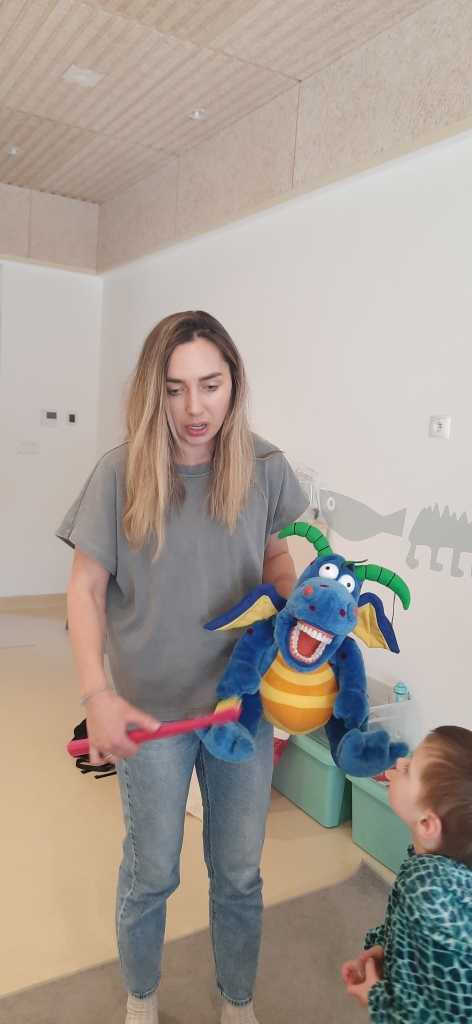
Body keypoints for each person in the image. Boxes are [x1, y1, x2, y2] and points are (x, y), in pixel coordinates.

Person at [57, 311, 309, 1024]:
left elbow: (276, 557)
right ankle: (142, 997)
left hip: (241, 710)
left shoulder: (265, 466)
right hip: (150, 713)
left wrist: (298, 621)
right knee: (152, 873)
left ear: (235, 384)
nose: (194, 408)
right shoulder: (118, 473)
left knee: (239, 874)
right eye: (174, 389)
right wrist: (96, 694)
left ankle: (237, 1001)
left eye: (210, 385)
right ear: (152, 392)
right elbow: (84, 589)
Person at [342, 725, 472, 1023]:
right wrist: (385, 948)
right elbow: (420, 944)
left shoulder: (426, 890)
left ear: (427, 824)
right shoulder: (439, 870)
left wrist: (376, 998)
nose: (400, 761)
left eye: (410, 768)